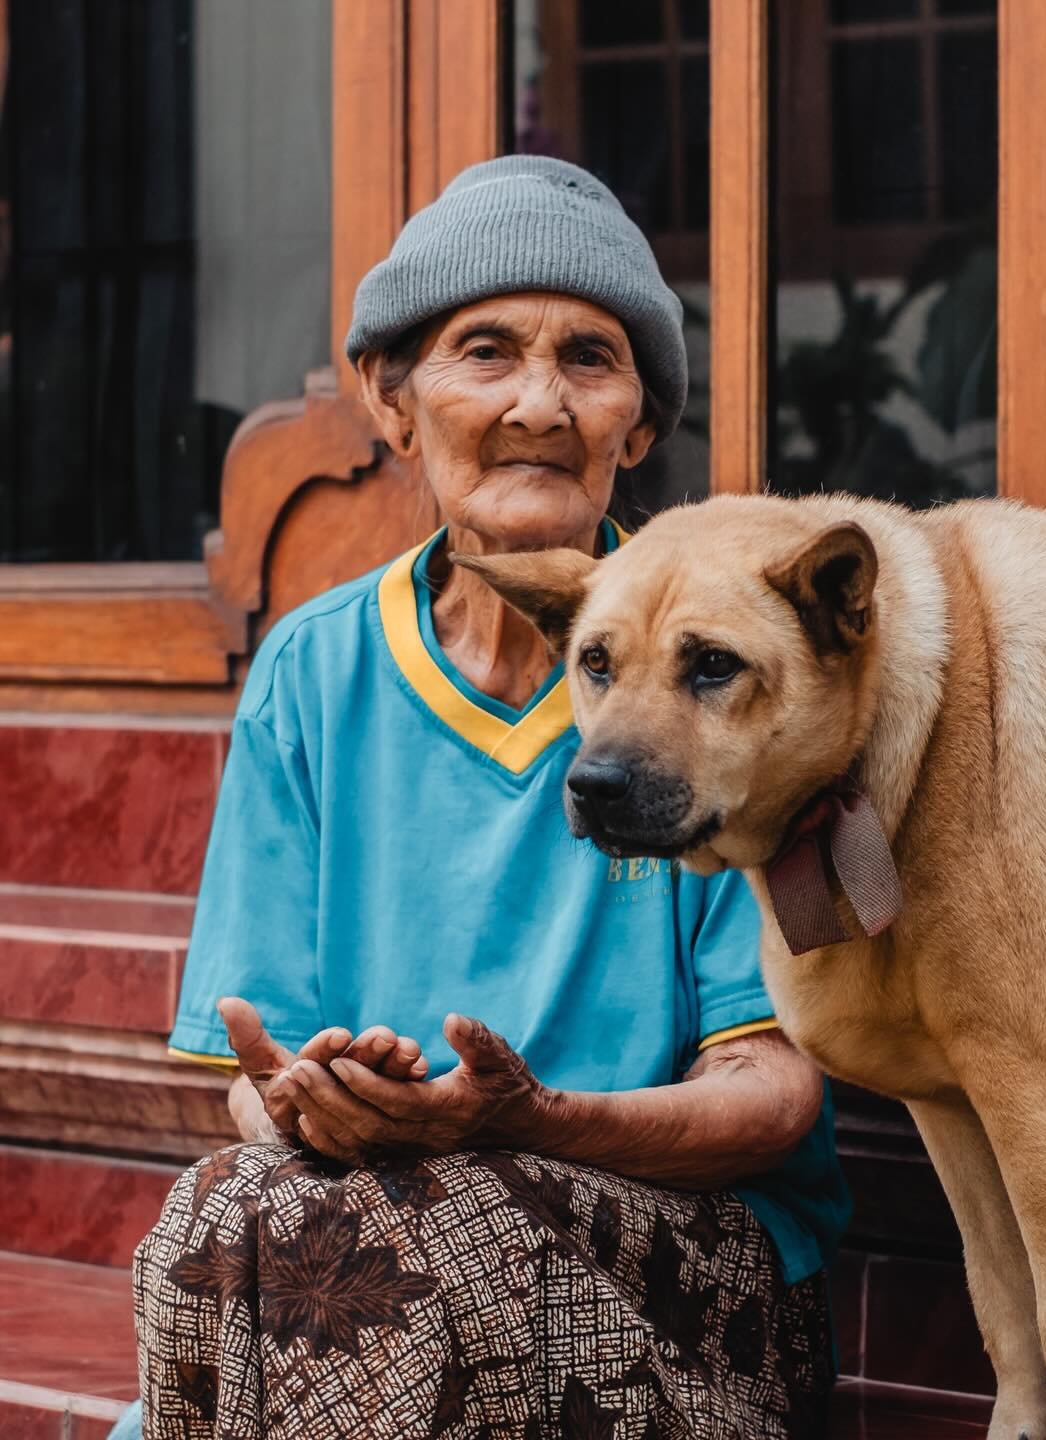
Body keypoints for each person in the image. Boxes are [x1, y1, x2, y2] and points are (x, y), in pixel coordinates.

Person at [116, 156, 848, 1440]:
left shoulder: (740, 660)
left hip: (685, 1271)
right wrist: (316, 1109)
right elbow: (252, 1077)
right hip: (363, 1250)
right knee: (222, 1206)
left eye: (589, 359)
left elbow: (773, 1093)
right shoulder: (312, 671)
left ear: (638, 424)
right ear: (392, 402)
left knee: (397, 1241)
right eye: (486, 351)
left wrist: (530, 1124)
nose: (538, 403)